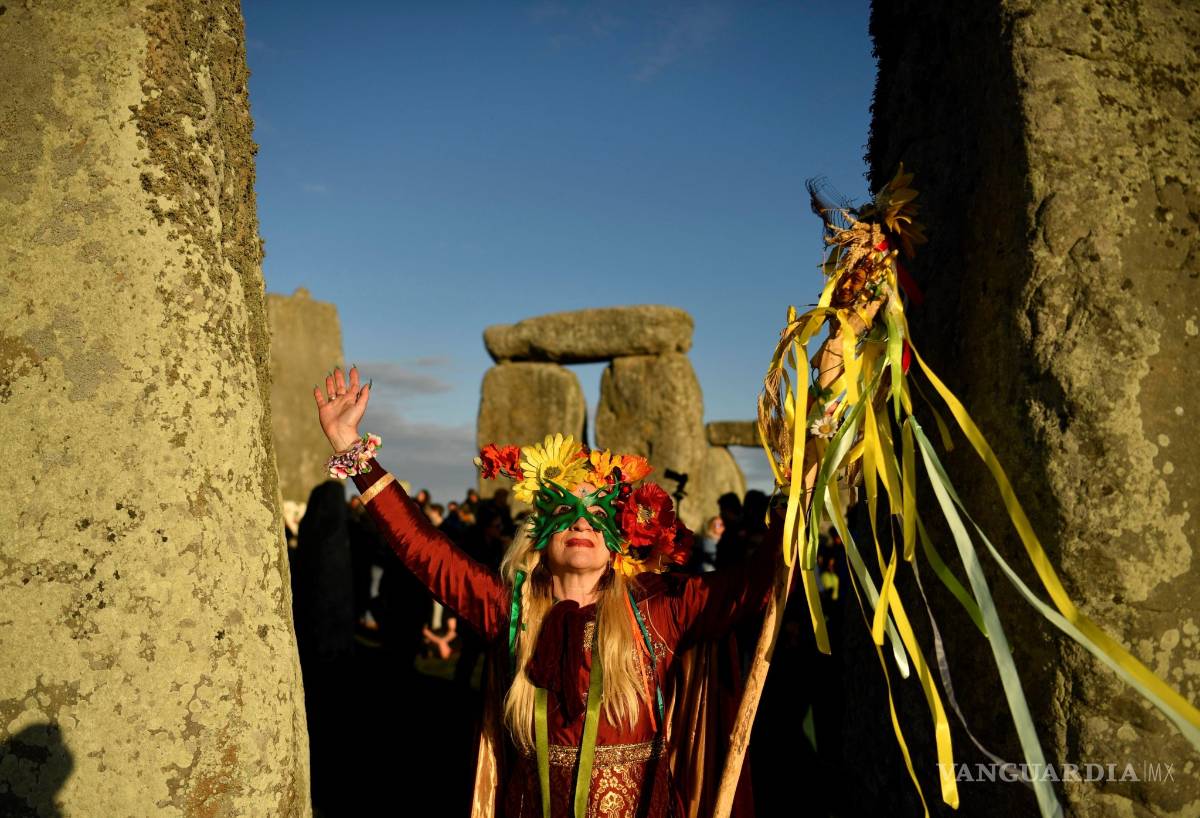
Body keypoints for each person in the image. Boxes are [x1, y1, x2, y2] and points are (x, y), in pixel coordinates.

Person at [314, 366, 781, 818]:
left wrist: (802, 477)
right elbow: (425, 550)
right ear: (540, 530)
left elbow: (758, 580)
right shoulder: (510, 608)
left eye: (598, 513)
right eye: (565, 508)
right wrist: (353, 449)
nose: (581, 521)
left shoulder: (661, 609)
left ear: (621, 536)